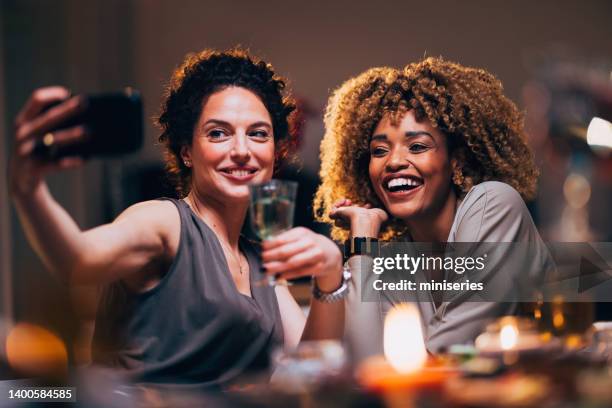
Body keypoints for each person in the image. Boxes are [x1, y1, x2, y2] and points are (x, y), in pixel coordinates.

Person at [9, 48, 345, 388]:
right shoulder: (164, 223)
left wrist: (330, 275)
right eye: (218, 133)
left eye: (258, 133)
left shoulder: (260, 261)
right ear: (187, 151)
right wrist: (29, 190)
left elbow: (313, 368)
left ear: (275, 153)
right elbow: (78, 259)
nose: (242, 150)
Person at [314, 58, 552, 354]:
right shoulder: (392, 262)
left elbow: (450, 352)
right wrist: (362, 244)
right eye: (379, 151)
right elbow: (369, 366)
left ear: (457, 160)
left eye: (417, 146)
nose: (395, 162)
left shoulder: (495, 204)